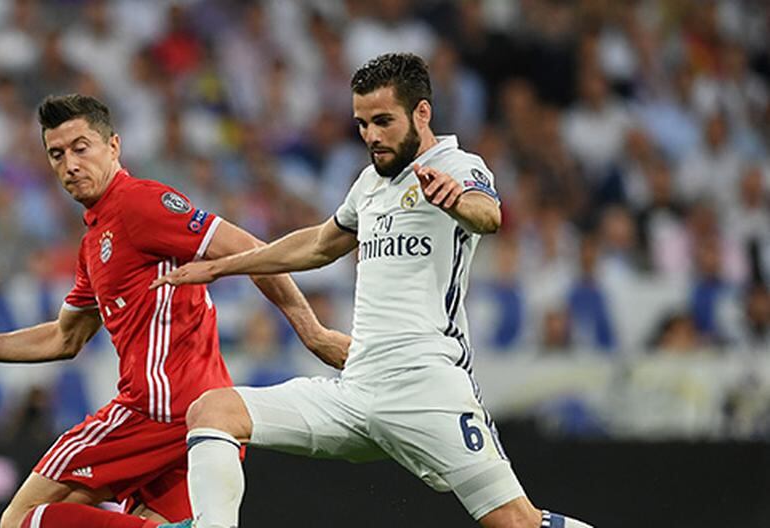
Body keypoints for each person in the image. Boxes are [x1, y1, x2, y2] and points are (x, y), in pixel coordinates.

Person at [152, 54, 593, 528]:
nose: (371, 137)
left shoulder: (457, 165)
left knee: (517, 524)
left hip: (428, 387)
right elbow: (320, 245)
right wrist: (221, 267)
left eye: (383, 121)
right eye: (362, 124)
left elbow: (489, 215)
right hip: (357, 389)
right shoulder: (369, 184)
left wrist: (457, 199)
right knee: (213, 410)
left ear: (421, 113)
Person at [0, 94, 349, 528]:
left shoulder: (139, 204)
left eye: (80, 147)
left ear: (113, 146)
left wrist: (312, 333)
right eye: (56, 155)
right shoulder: (95, 243)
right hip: (196, 421)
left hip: (158, 410)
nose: (69, 165)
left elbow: (249, 249)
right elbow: (63, 338)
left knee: (22, 520)